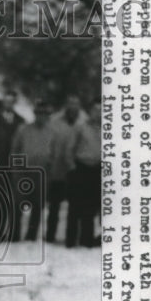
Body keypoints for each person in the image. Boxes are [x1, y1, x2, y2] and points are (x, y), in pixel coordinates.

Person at [10, 99, 57, 241]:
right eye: (38, 113)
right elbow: (15, 149)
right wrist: (17, 169)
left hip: (42, 173)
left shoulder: (52, 132)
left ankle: (31, 236)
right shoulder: (23, 129)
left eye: (44, 113)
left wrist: (50, 168)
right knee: (18, 204)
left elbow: (54, 152)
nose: (41, 116)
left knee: (38, 205)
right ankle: (14, 235)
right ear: (34, 114)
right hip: (23, 171)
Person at [47, 94, 85, 243]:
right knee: (54, 206)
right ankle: (50, 236)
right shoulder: (54, 121)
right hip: (57, 169)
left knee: (75, 206)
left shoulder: (84, 121)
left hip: (76, 169)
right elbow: (49, 143)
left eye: (76, 103)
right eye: (70, 103)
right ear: (66, 105)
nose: (73, 106)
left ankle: (72, 237)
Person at [66, 98, 102, 248]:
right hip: (81, 168)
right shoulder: (80, 127)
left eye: (102, 110)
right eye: (96, 110)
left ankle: (86, 240)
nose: (99, 113)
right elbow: (69, 149)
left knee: (91, 206)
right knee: (75, 205)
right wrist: (72, 167)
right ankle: (70, 240)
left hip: (97, 170)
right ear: (90, 111)